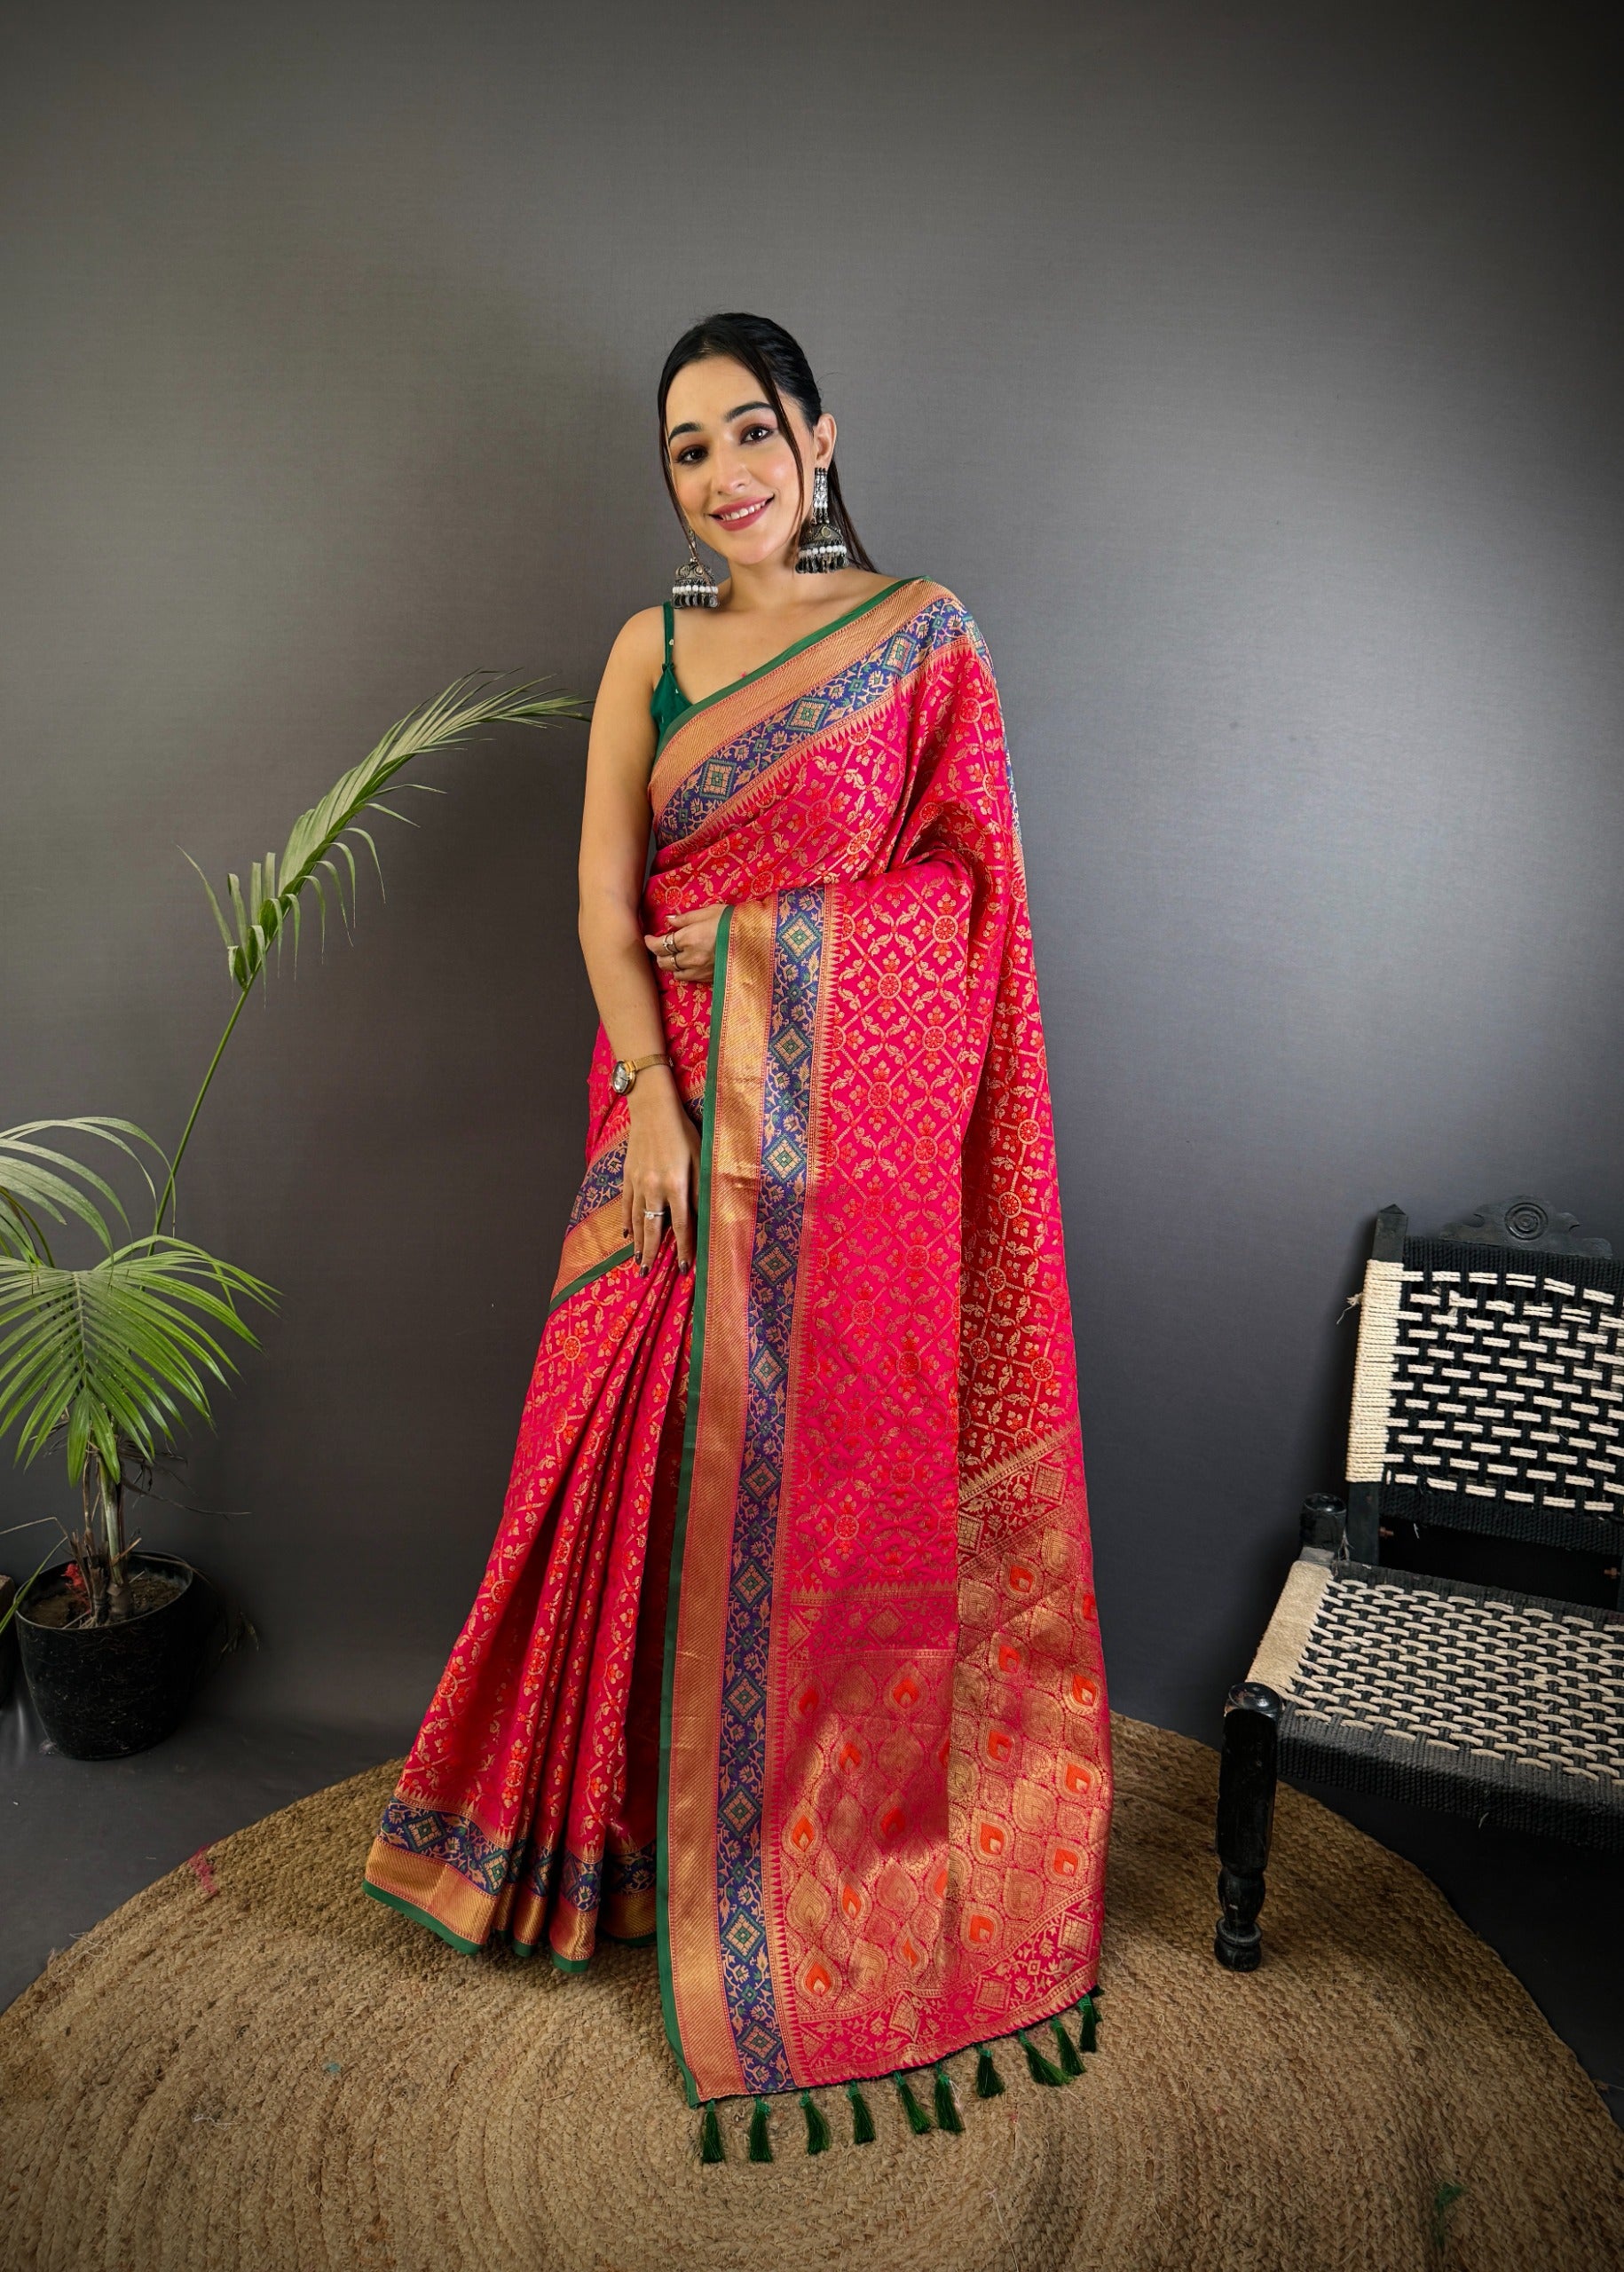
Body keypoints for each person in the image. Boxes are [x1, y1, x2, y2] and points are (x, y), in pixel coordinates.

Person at [363, 313, 1111, 2158]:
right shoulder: (654, 644)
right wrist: (656, 1092)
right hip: (670, 1111)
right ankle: (598, 1850)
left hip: (855, 1156)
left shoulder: (920, 637)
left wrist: (783, 944)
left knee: (822, 1477)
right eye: (688, 449)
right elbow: (602, 898)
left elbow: (973, 902)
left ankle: (799, 1845)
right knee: (613, 1456)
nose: (723, 475)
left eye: (751, 432)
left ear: (820, 436)